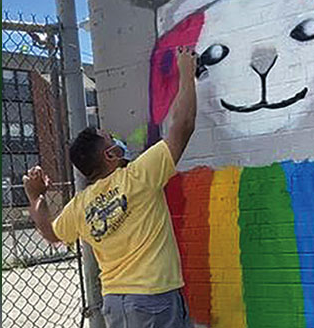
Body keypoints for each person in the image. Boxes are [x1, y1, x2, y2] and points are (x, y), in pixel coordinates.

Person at [22, 46, 198, 328]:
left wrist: (35, 196)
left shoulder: (80, 205)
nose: (116, 138)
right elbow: (183, 125)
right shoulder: (138, 176)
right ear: (111, 155)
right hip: (154, 301)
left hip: (116, 303)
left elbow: (51, 233)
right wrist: (187, 72)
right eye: (110, 138)